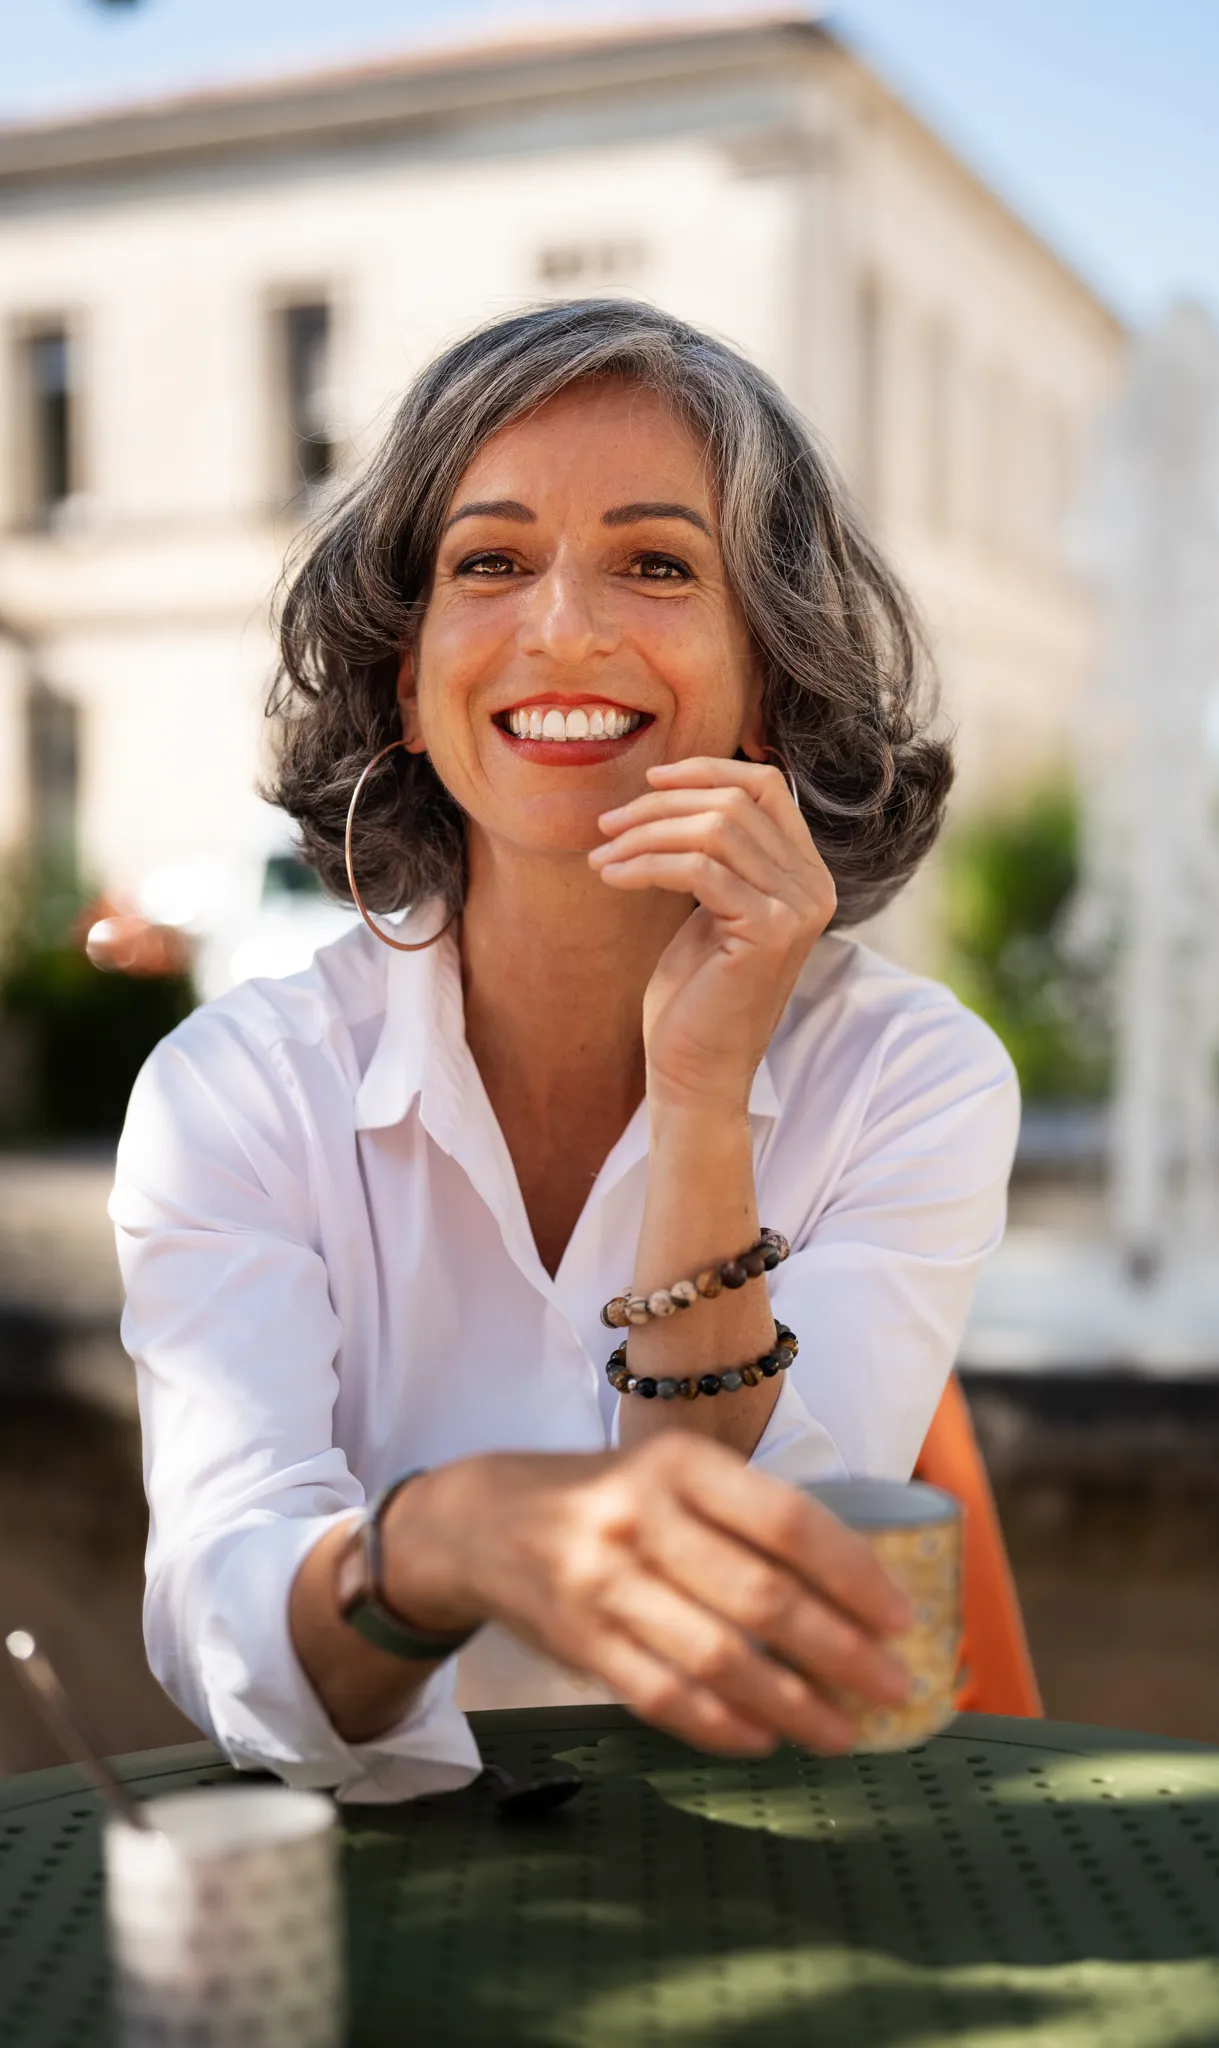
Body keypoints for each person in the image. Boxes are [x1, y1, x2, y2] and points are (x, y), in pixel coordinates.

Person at [111, 300, 1019, 1804]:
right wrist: (443, 1542)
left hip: (770, 1884)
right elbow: (225, 1623)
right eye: (490, 562)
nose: (564, 629)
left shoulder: (915, 1079)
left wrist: (702, 1098)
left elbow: (764, 1572)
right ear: (407, 679)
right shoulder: (235, 1094)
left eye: (658, 564)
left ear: (771, 679)